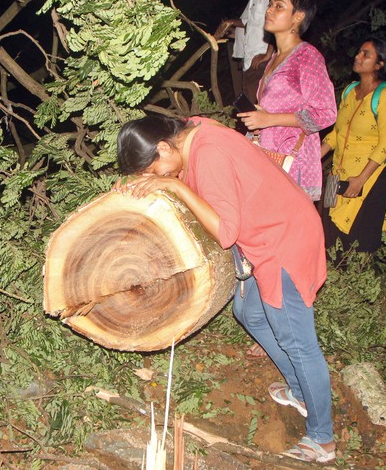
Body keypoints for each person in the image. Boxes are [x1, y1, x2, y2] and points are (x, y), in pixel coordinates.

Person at [115, 114, 336, 463]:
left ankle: (322, 438)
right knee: (248, 311)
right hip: (272, 231)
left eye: (154, 170)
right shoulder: (191, 131)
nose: (159, 178)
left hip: (283, 241)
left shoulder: (209, 155)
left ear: (162, 147)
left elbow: (225, 232)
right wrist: (140, 184)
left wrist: (175, 187)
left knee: (296, 339)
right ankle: (301, 391)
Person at [237, 0, 336, 202]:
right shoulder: (273, 59)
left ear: (298, 16)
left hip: (292, 165)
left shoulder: (307, 57)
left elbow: (326, 113)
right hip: (267, 160)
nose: (269, 10)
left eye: (278, 6)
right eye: (270, 4)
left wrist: (269, 119)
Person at [321, 37, 386, 254]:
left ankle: (359, 284)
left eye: (366, 54)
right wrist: (313, 157)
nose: (358, 56)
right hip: (337, 174)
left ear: (380, 64)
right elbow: (337, 133)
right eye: (359, 52)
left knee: (358, 242)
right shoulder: (349, 91)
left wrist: (361, 180)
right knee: (328, 235)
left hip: (369, 177)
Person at [215, 0, 279, 103]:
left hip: (260, 60)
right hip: (249, 60)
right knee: (249, 101)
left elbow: (277, 25)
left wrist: (268, 54)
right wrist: (231, 28)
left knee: (257, 104)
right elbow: (249, 24)